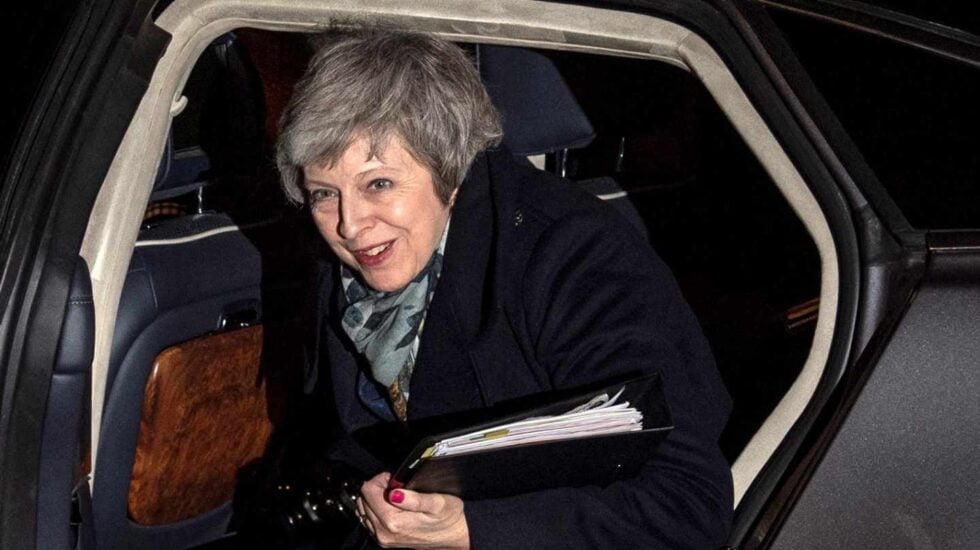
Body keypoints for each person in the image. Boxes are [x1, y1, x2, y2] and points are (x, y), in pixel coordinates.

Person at [276, 27, 733, 549]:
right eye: (323, 194)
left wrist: (469, 529)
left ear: (449, 168)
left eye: (378, 183)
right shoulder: (358, 270)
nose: (350, 226)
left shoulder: (571, 256)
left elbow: (689, 505)